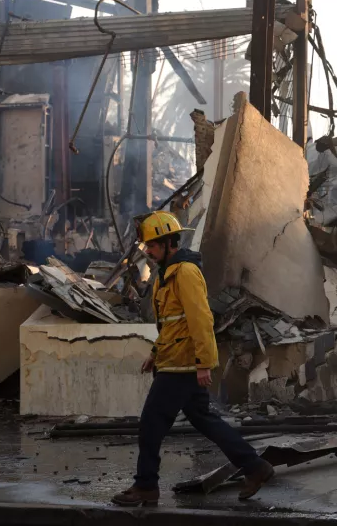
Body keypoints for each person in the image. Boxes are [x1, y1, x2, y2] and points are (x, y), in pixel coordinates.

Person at [112, 211, 274, 507]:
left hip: (182, 366)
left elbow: (200, 320)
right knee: (205, 420)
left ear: (169, 243)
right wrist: (154, 353)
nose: (148, 251)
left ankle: (146, 485)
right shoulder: (166, 273)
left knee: (150, 423)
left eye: (152, 246)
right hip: (174, 360)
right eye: (147, 246)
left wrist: (203, 364)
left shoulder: (185, 273)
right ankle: (254, 466)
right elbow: (172, 322)